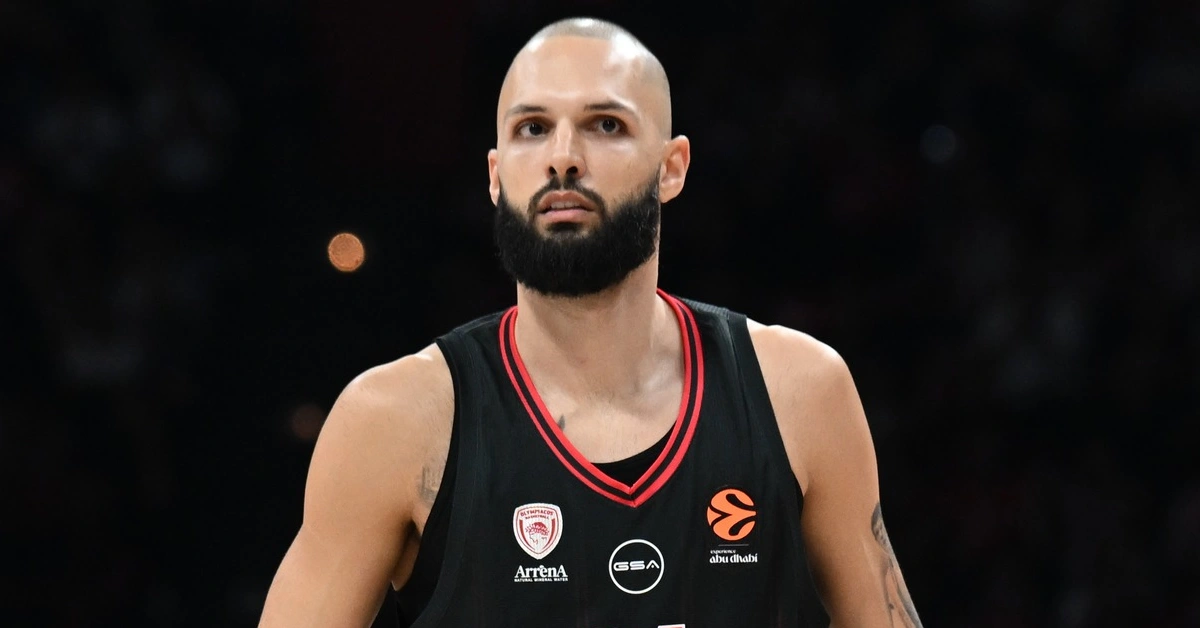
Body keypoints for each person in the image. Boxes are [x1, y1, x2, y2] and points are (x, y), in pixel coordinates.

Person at [259, 16, 923, 628]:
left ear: (672, 168)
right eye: (532, 128)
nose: (563, 157)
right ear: (496, 175)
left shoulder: (800, 392)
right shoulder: (396, 419)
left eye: (605, 124)